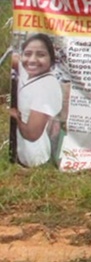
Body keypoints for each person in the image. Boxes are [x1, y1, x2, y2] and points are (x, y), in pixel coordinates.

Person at [9, 34, 64, 167]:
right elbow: (18, 61)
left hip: (35, 160)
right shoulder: (31, 72)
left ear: (51, 59)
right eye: (27, 53)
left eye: (41, 54)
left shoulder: (46, 86)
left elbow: (31, 134)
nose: (32, 60)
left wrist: (14, 115)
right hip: (21, 152)